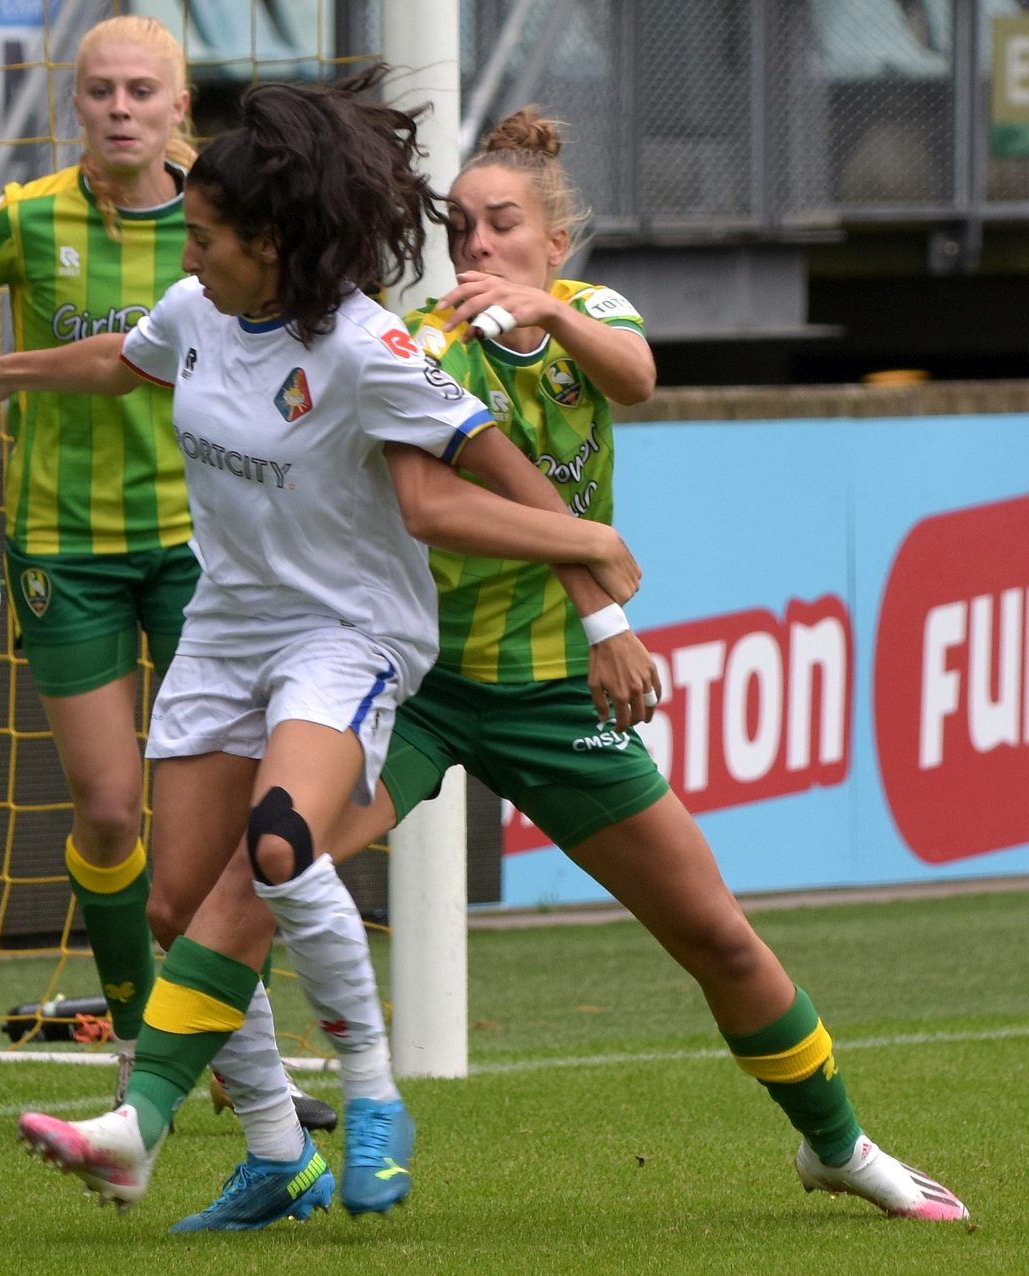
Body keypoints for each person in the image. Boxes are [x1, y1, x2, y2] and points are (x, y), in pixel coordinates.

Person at [0, 69, 642, 1229]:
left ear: (271, 240)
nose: (187, 253)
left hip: (348, 633)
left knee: (278, 844)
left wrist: (592, 565)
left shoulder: (369, 350)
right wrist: (2, 371)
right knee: (173, 908)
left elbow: (488, 468)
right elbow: (127, 357)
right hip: (227, 628)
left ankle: (356, 1097)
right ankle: (277, 1155)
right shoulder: (200, 312)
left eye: (205, 235)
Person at [295, 106, 968, 1223]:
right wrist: (611, 610)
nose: (477, 248)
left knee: (715, 933)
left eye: (503, 226)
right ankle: (244, 1102)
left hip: (557, 695)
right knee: (280, 858)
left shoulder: (589, 316)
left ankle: (838, 1144)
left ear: (555, 241)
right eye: (460, 228)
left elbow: (638, 375)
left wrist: (546, 311)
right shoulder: (421, 340)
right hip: (415, 681)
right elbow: (434, 510)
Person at [0, 16, 331, 1131]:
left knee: (222, 828)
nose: (119, 108)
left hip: (202, 551)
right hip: (63, 552)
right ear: (74, 106)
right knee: (111, 807)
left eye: (141, 91)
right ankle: (138, 1034)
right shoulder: (27, 219)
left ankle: (235, 1053)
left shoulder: (225, 222)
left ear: (182, 109)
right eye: (99, 91)